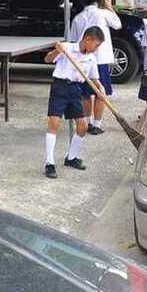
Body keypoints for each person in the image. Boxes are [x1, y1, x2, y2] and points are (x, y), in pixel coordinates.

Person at [42, 26, 105, 179]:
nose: (96, 49)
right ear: (88, 39)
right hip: (60, 86)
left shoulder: (91, 58)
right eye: (96, 45)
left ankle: (71, 157)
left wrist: (100, 88)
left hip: (75, 89)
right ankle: (49, 163)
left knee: (83, 126)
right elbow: (47, 59)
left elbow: (93, 78)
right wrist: (56, 52)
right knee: (54, 122)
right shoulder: (67, 48)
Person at [69, 0, 122, 135]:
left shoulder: (78, 18)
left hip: (84, 60)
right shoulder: (103, 13)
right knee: (101, 92)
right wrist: (110, 7)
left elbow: (73, 41)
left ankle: (88, 122)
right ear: (99, 0)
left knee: (86, 93)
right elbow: (118, 25)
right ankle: (97, 124)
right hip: (100, 59)